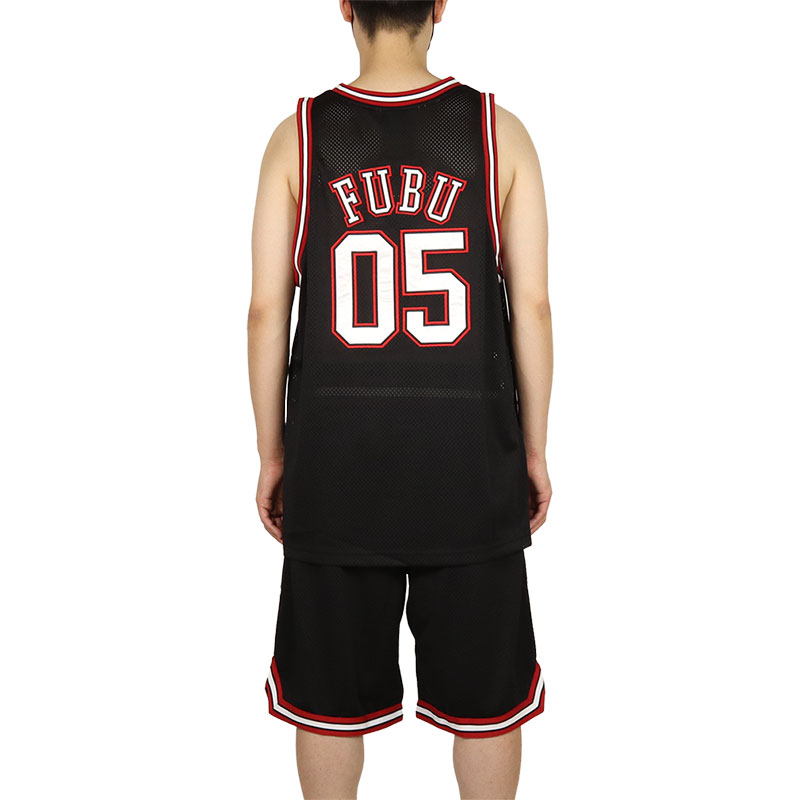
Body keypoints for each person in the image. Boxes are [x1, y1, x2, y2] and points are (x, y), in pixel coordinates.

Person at [248, 1, 552, 797]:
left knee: (327, 707)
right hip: (469, 462)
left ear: (345, 5)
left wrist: (272, 454)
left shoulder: (299, 138)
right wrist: (534, 450)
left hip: (335, 465)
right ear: (440, 5)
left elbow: (266, 311)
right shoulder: (497, 133)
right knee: (487, 707)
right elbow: (533, 307)